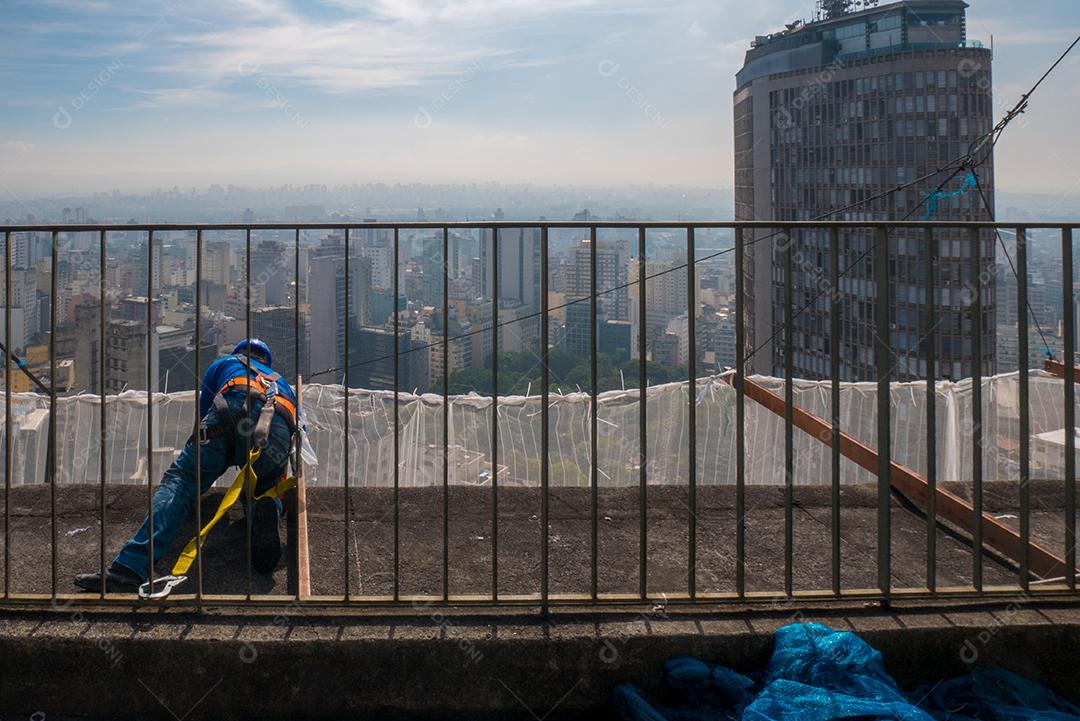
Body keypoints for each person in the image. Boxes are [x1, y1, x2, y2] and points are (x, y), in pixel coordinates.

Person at [75, 339, 299, 593]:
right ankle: (265, 507)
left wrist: (196, 459)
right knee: (265, 487)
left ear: (241, 353)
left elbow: (203, 416)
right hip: (277, 425)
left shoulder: (225, 363)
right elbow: (297, 434)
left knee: (181, 481)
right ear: (266, 361)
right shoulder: (282, 384)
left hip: (230, 413)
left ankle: (129, 568)